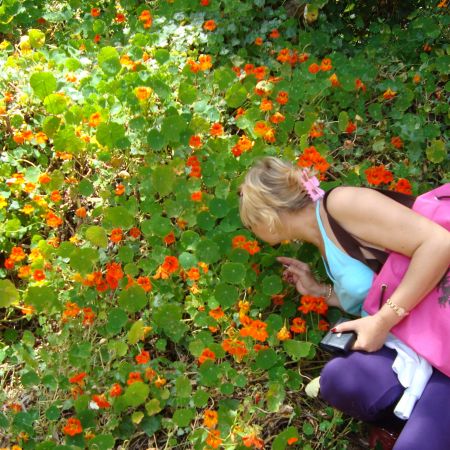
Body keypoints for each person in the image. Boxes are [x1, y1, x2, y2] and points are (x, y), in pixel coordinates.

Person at [238, 156, 450, 450]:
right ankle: (401, 424)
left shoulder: (341, 204)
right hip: (413, 338)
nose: (251, 231)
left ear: (267, 216)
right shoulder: (322, 238)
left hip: (440, 332)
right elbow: (377, 291)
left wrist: (383, 321)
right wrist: (321, 291)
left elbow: (440, 244)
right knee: (339, 378)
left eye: (250, 223)